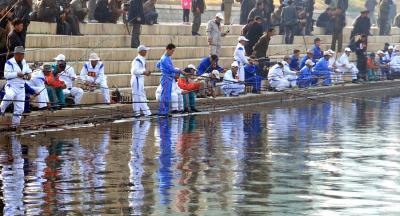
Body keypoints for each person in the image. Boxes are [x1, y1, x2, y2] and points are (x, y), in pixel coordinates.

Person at [0, 46, 31, 127]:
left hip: (21, 88)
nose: (22, 56)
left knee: (20, 109)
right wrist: (17, 74)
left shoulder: (24, 62)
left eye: (23, 54)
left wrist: (29, 75)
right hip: (11, 85)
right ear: (16, 54)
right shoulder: (9, 62)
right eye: (21, 54)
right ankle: (1, 110)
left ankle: (15, 126)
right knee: (9, 96)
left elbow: (29, 72)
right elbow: (6, 75)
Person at [156, 43, 182, 116]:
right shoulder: (164, 58)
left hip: (169, 79)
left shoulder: (167, 57)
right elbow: (171, 69)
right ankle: (163, 112)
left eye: (173, 51)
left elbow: (157, 65)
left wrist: (163, 68)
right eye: (172, 51)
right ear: (167, 49)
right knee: (165, 96)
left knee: (167, 96)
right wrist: (180, 71)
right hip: (166, 79)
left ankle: (165, 112)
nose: (173, 53)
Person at [131, 45, 152, 117]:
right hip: (137, 79)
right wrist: (144, 72)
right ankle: (146, 113)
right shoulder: (137, 60)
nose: (146, 52)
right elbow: (134, 71)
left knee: (139, 95)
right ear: (141, 51)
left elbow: (141, 70)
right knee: (138, 96)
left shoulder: (142, 59)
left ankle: (138, 113)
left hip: (140, 79)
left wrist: (146, 72)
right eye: (145, 50)